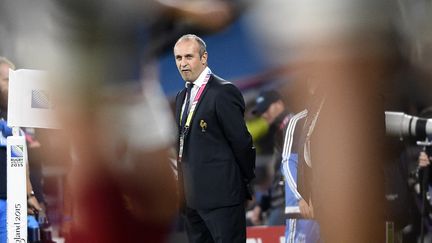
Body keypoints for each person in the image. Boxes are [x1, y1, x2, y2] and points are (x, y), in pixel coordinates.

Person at [174, 34, 255, 243]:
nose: (183, 64)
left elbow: (242, 142)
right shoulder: (182, 97)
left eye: (189, 57)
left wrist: (244, 181)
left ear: (204, 58)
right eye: (178, 58)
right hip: (192, 201)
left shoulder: (223, 92)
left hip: (223, 199)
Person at [0, 56, 43, 242]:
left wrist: (29, 194)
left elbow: (19, 157)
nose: (13, 87)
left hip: (11, 203)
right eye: (8, 80)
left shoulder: (15, 119)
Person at [250, 90, 293, 225]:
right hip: (279, 206)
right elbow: (278, 175)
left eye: (266, 109)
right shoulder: (278, 132)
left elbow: (295, 169)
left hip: (290, 207)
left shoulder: (296, 125)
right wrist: (263, 203)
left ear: (279, 104)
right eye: (261, 112)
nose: (263, 115)